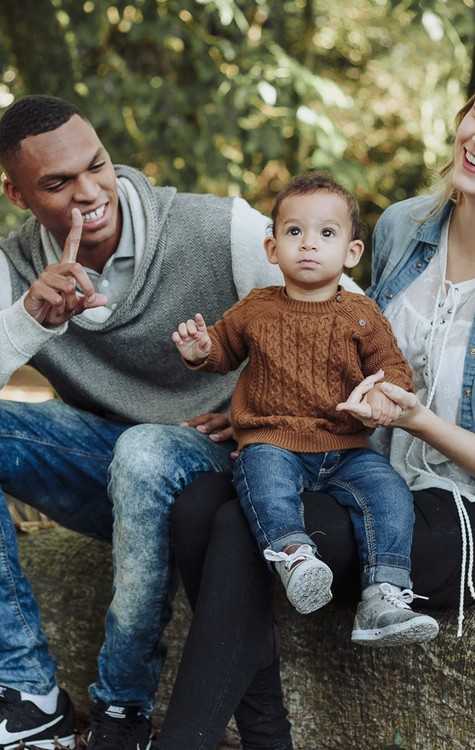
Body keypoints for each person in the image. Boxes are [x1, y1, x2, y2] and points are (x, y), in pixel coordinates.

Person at [154, 50, 475, 750]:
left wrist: (422, 421)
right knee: (197, 507)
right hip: (368, 467)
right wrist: (285, 410)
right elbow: (355, 348)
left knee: (237, 530)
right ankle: (266, 736)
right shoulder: (408, 225)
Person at [0, 94, 289, 750]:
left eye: (96, 166)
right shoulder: (13, 266)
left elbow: (346, 321)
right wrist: (24, 321)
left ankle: (122, 714)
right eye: (58, 183)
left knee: (145, 452)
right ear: (17, 194)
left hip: (214, 471)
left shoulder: (220, 230)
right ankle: (32, 701)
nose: (89, 192)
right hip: (112, 468)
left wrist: (261, 417)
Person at [171, 172, 439, 646]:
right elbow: (221, 350)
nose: (309, 244)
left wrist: (380, 396)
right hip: (275, 442)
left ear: (351, 253)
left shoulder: (361, 314)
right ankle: (296, 556)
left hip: (346, 447)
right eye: (294, 232)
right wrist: (198, 350)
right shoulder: (256, 308)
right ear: (272, 249)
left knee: (390, 493)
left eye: (326, 233)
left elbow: (394, 370)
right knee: (262, 478)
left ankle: (384, 594)